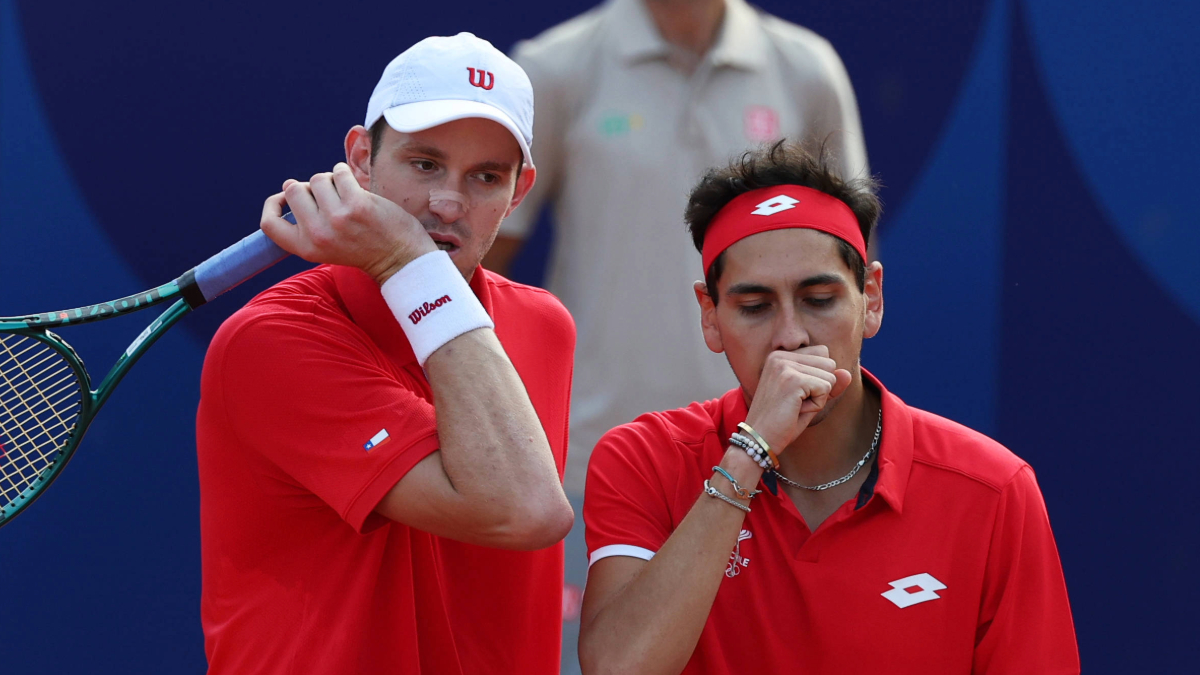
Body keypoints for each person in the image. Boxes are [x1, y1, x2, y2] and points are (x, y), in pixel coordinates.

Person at [578, 142, 1080, 674]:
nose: (791, 337)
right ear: (710, 316)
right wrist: (749, 454)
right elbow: (617, 668)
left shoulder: (992, 488)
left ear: (872, 298)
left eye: (819, 300)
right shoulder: (643, 460)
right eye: (755, 307)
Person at [196, 33, 575, 675]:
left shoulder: (543, 326)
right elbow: (524, 510)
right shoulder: (268, 343)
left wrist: (410, 265)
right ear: (361, 158)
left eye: (487, 177)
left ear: (520, 191)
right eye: (425, 164)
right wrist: (409, 262)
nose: (449, 203)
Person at [485, 0, 869, 498]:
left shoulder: (808, 69)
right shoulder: (555, 67)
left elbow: (845, 276)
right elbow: (486, 261)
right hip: (592, 453)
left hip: (779, 453)